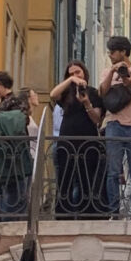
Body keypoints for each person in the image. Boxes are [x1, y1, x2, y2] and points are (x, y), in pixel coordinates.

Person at [97, 35, 131, 217]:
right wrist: (112, 73)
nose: (110, 55)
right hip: (114, 124)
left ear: (123, 52)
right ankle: (113, 211)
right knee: (113, 171)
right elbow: (101, 93)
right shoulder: (108, 72)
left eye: (112, 52)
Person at [49, 60, 102, 212]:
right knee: (65, 178)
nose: (75, 75)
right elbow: (53, 94)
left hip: (88, 141)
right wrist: (71, 80)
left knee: (87, 178)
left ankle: (88, 213)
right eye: (71, 73)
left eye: (78, 72)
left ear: (84, 72)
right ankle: (63, 214)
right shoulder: (65, 93)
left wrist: (86, 103)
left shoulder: (93, 92)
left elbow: (97, 119)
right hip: (67, 141)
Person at [0, 70, 31, 218]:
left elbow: (22, 120)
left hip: (13, 153)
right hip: (0, 153)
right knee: (3, 191)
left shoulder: (16, 101)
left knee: (14, 193)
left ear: (5, 84)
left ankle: (13, 224)